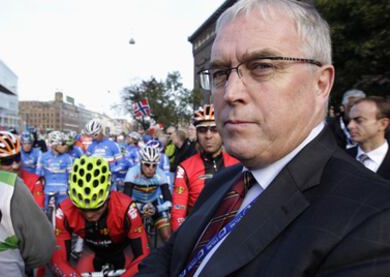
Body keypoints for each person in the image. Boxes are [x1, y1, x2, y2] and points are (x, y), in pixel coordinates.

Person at [137, 1, 390, 276]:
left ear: (321, 84)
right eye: (221, 73)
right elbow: (169, 257)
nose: (231, 92)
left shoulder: (374, 220)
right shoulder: (223, 183)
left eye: (262, 66)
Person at [51, 156, 149, 277]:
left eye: (96, 208)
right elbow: (58, 261)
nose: (89, 215)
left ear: (108, 196)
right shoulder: (64, 211)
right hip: (93, 251)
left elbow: (143, 256)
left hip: (123, 250)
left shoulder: (126, 207)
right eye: (82, 209)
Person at [0, 131, 55, 276]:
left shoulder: (33, 180)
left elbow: (41, 244)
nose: (15, 165)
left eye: (17, 158)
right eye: (7, 161)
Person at [170, 104, 239, 232]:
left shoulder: (238, 164)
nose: (208, 135)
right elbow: (177, 213)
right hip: (197, 235)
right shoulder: (184, 168)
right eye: (202, 130)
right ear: (196, 134)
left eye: (214, 129)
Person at [123, 145, 172, 242]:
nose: (150, 168)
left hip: (154, 203)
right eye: (147, 164)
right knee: (127, 236)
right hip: (135, 203)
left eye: (154, 165)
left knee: (167, 237)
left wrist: (157, 208)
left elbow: (169, 201)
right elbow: (125, 200)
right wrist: (139, 207)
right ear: (141, 163)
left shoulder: (160, 174)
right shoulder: (132, 172)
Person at [347, 97, 390, 179]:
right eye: (350, 120)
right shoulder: (341, 158)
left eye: (359, 120)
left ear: (383, 124)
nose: (350, 126)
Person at [36, 130, 73, 209]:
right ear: (54, 145)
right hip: (47, 192)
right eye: (62, 144)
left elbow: (71, 176)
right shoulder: (43, 156)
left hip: (63, 193)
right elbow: (38, 175)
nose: (65, 146)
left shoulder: (68, 158)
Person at [85, 119, 123, 190]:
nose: (94, 137)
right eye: (91, 135)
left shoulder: (113, 145)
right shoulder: (91, 146)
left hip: (110, 181)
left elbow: (121, 164)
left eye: (96, 134)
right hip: (95, 181)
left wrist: (110, 170)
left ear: (101, 130)